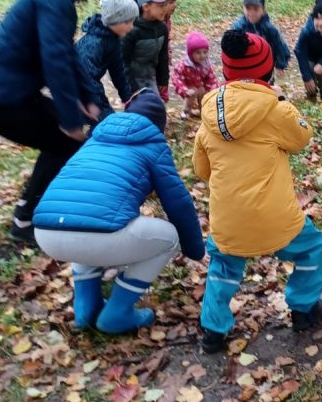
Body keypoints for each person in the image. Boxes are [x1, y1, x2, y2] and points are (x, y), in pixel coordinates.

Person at [194, 30, 322, 353]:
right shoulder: (274, 109)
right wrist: (282, 101)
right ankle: (304, 308)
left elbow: (201, 170)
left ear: (227, 71)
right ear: (267, 71)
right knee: (310, 246)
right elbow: (301, 137)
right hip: (276, 219)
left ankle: (213, 330)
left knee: (223, 266)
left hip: (228, 221)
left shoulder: (209, 115)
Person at [33, 89, 204, 333]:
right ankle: (118, 313)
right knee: (168, 237)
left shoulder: (94, 140)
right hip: (97, 236)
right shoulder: (153, 146)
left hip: (45, 232)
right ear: (159, 124)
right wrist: (194, 249)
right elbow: (179, 203)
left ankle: (85, 306)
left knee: (86, 219)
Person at [0, 0, 101, 244]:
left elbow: (65, 53)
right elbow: (54, 59)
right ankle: (25, 219)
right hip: (1, 97)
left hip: (12, 92)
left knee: (65, 142)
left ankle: (33, 211)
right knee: (64, 142)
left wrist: (87, 97)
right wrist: (70, 119)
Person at [76, 0, 138, 121]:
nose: (131, 27)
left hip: (89, 88)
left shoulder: (113, 39)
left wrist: (128, 99)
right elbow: (87, 77)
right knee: (103, 121)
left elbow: (118, 72)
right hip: (75, 89)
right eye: (128, 22)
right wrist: (100, 105)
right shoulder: (94, 43)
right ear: (115, 20)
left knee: (104, 120)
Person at [122, 0, 171, 95]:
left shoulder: (162, 28)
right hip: (131, 77)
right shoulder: (131, 29)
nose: (165, 9)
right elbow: (122, 61)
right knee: (142, 104)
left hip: (149, 75)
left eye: (165, 5)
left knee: (154, 103)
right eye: (161, 6)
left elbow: (163, 56)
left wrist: (163, 79)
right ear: (146, 7)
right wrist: (132, 87)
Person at [232, 0, 291, 73]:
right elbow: (231, 48)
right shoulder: (238, 28)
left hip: (265, 68)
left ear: (263, 10)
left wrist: (280, 65)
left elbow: (279, 46)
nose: (251, 13)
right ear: (243, 9)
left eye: (256, 9)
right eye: (248, 8)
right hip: (244, 69)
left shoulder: (269, 29)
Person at [172, 31, 219, 119]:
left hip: (199, 85)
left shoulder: (206, 64)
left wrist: (213, 88)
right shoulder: (184, 65)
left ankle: (203, 110)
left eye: (205, 52)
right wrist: (184, 89)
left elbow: (211, 78)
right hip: (188, 87)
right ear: (191, 54)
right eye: (198, 53)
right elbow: (176, 78)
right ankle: (186, 111)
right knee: (192, 92)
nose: (202, 55)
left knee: (202, 91)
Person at [154, 0, 179, 100]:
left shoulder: (167, 19)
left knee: (163, 93)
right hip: (152, 65)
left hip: (163, 62)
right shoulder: (154, 22)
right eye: (170, 2)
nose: (174, 5)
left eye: (175, 1)